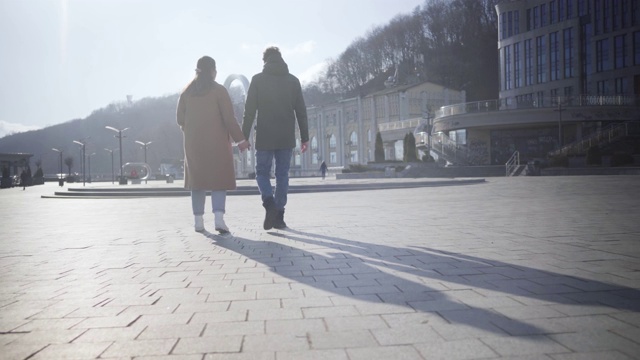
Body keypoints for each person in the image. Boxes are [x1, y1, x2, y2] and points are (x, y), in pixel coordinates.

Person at [177, 55, 250, 234]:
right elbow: (229, 119)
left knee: (197, 182)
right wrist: (241, 140)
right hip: (217, 143)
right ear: (212, 71)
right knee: (219, 181)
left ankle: (198, 222)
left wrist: (192, 132)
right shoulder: (219, 91)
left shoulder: (186, 92)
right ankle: (219, 220)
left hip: (193, 145)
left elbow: (180, 119)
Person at [242, 46, 309, 230]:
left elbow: (249, 112)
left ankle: (269, 203)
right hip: (286, 136)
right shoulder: (293, 81)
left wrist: (244, 137)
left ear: (265, 61)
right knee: (282, 175)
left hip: (264, 135)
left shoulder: (257, 80)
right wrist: (305, 137)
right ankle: (279, 216)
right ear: (281, 59)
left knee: (262, 173)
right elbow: (301, 112)